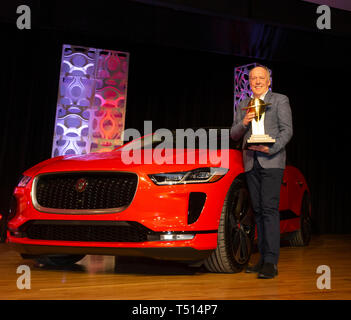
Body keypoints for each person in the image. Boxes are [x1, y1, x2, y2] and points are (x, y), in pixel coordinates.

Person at [230, 65, 293, 279]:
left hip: (272, 161)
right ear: (249, 82)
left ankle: (271, 262)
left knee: (269, 210)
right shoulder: (243, 105)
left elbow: (287, 130)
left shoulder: (280, 100)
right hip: (251, 162)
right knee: (257, 211)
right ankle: (262, 258)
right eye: (253, 78)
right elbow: (234, 134)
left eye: (261, 78)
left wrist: (272, 147)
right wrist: (244, 122)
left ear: (268, 81)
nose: (257, 81)